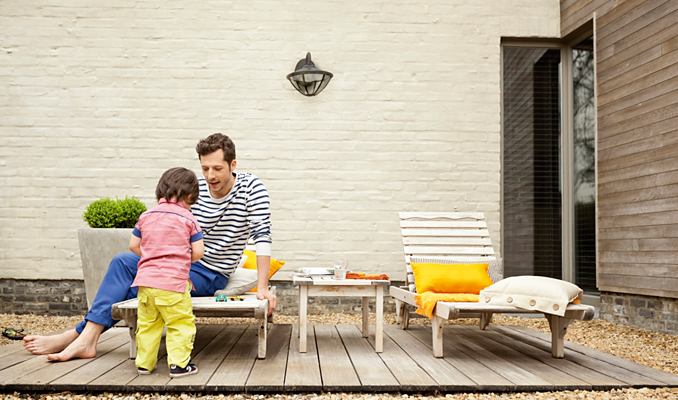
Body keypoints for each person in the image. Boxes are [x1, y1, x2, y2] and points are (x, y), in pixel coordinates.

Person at [23, 133, 277, 361]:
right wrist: (154, 258)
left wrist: (263, 288)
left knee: (151, 282)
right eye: (205, 168)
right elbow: (166, 222)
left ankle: (77, 336)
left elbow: (261, 236)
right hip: (175, 262)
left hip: (210, 272)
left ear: (233, 165)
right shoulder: (195, 190)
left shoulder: (251, 189)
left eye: (217, 168)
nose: (210, 176)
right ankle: (85, 337)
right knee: (122, 262)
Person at [131, 167, 203, 377]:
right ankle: (179, 365)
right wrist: (178, 258)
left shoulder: (146, 216)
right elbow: (198, 252)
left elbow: (133, 244)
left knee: (147, 325)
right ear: (190, 196)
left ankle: (144, 364)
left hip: (145, 284)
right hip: (173, 285)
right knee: (180, 323)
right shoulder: (188, 218)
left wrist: (152, 254)